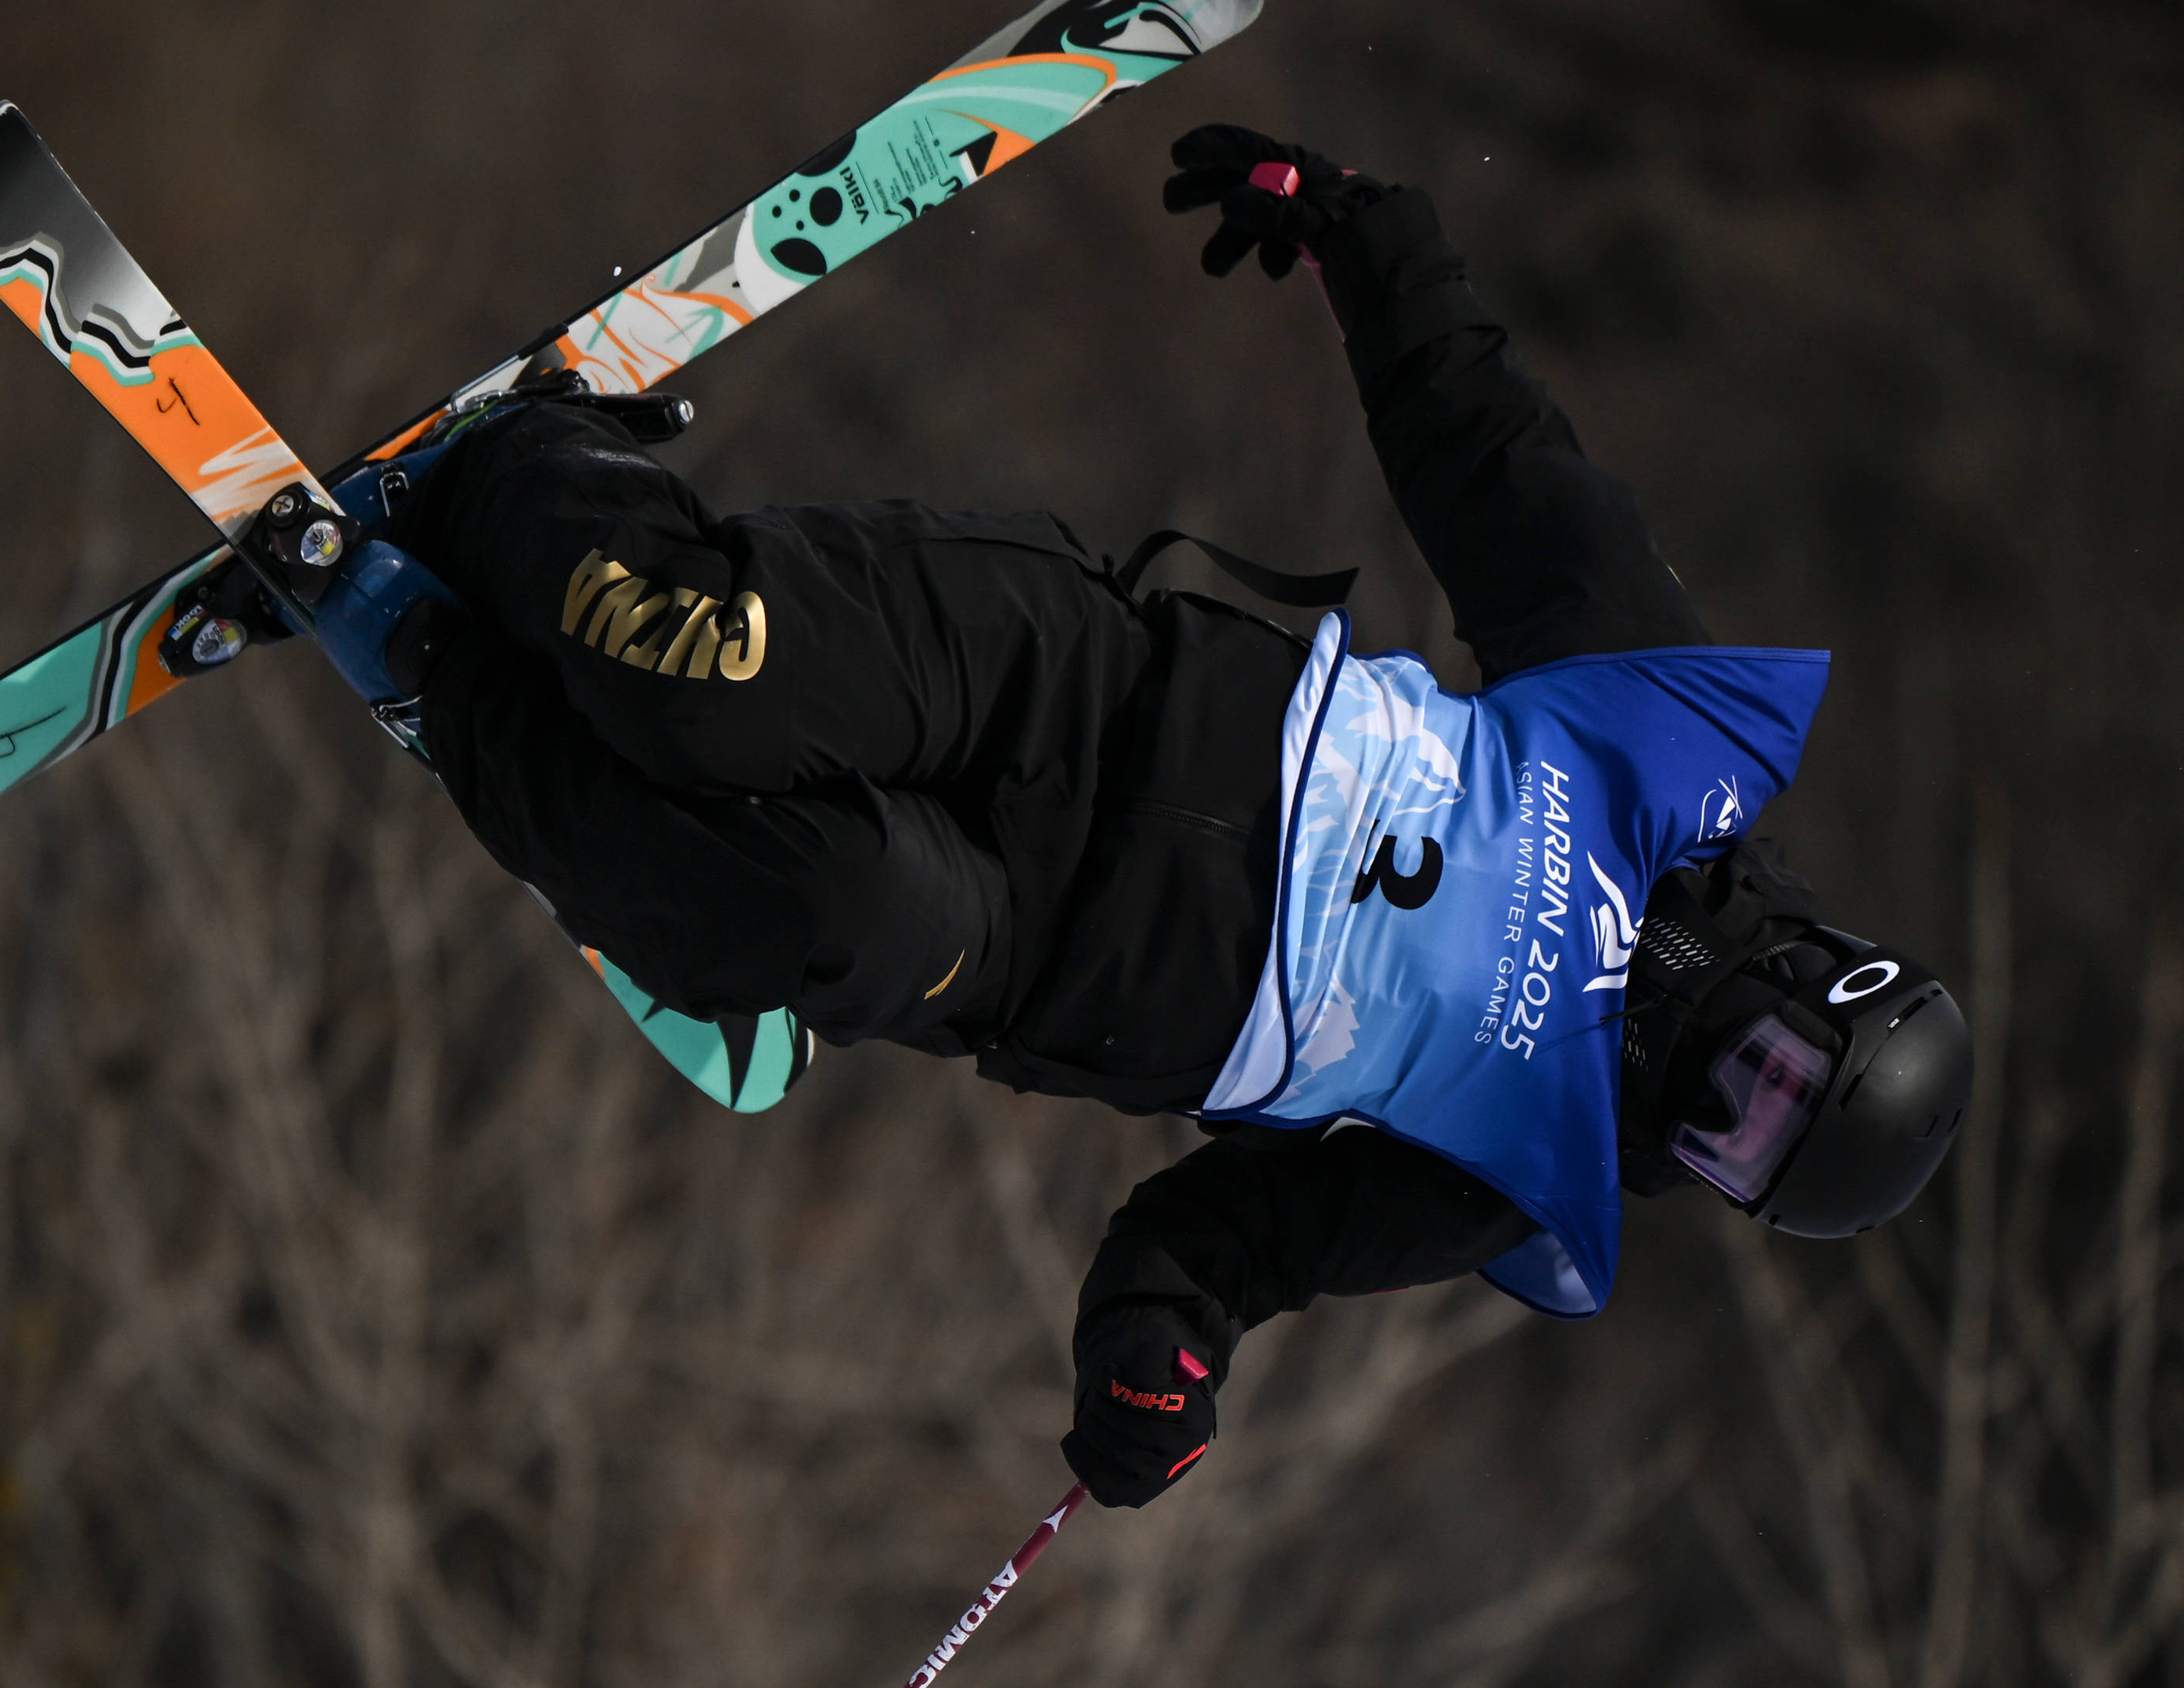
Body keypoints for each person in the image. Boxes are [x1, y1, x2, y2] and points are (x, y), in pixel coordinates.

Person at [277, 125, 1974, 1511]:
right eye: (1764, 1081)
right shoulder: (1663, 754)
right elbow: (1500, 473)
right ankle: (516, 468)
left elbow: (1221, 1241)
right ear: (1809, 971)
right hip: (1081, 683)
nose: (1709, 1110)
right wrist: (1373, 247)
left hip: (1029, 951)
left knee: (812, 915)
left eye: (1730, 1155)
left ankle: (437, 660)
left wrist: (1156, 1364)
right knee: (701, 664)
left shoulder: (1521, 1178)